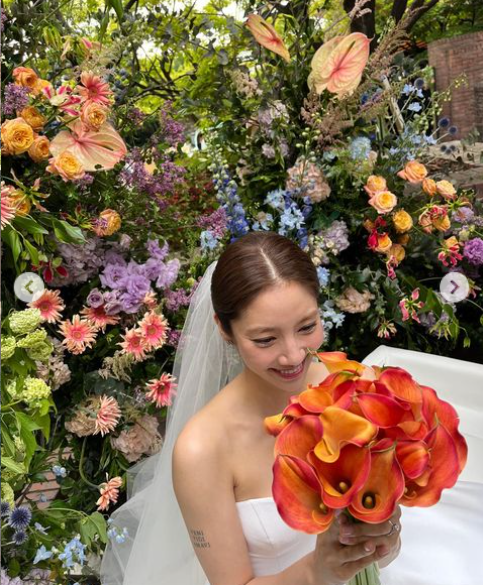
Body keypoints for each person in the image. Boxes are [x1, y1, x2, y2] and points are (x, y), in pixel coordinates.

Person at [100, 231, 401, 585]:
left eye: (307, 327)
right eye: (265, 339)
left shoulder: (357, 387)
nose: (293, 355)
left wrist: (384, 538)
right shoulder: (203, 449)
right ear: (224, 330)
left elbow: (384, 547)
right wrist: (316, 572)